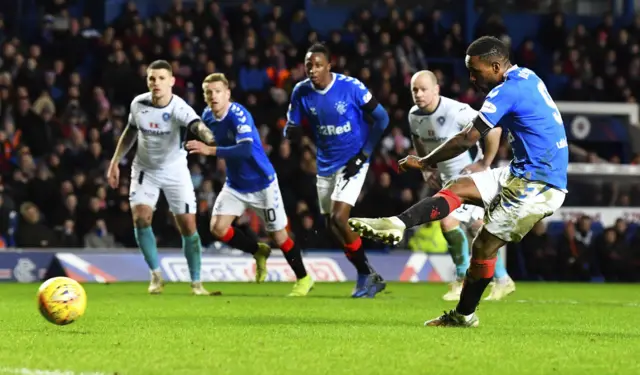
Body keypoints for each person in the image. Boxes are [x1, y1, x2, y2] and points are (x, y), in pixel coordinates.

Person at [349, 36, 568, 326]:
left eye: (476, 71)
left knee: (482, 246)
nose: (472, 78)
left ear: (495, 65)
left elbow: (468, 138)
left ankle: (463, 315)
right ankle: (397, 223)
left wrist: (425, 161)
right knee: (458, 186)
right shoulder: (526, 75)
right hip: (521, 171)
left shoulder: (506, 91)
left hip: (539, 184)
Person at [186, 73, 314, 297]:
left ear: (227, 94)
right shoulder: (207, 115)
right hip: (236, 185)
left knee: (279, 237)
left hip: (262, 184)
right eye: (209, 93)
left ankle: (304, 278)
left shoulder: (239, 114)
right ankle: (258, 250)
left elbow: (245, 149)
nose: (213, 96)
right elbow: (215, 139)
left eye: (218, 91)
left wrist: (210, 150)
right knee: (217, 228)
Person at [284, 43, 390, 298]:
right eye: (309, 65)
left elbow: (382, 118)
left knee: (340, 218)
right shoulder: (301, 92)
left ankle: (366, 275)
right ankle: (367, 273)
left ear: (330, 65)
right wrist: (292, 133)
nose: (312, 70)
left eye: (318, 64)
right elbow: (291, 126)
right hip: (325, 164)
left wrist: (364, 155)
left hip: (354, 160)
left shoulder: (351, 88)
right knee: (331, 224)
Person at [107, 60, 217, 295]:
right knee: (141, 219)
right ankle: (156, 275)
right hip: (145, 169)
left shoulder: (179, 107)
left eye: (161, 78)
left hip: (175, 171)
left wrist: (211, 139)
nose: (156, 83)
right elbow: (130, 132)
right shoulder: (138, 104)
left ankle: (196, 282)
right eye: (152, 79)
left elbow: (197, 125)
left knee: (188, 226)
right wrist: (115, 161)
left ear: (172, 82)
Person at [407, 70, 515, 302]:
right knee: (478, 228)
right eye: (414, 89)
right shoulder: (414, 115)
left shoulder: (456, 111)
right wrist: (426, 168)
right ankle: (503, 280)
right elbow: (418, 138)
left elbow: (494, 128)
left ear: (437, 89)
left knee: (448, 222)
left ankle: (460, 279)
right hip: (449, 180)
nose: (418, 94)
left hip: (471, 178)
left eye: (424, 89)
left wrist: (484, 162)